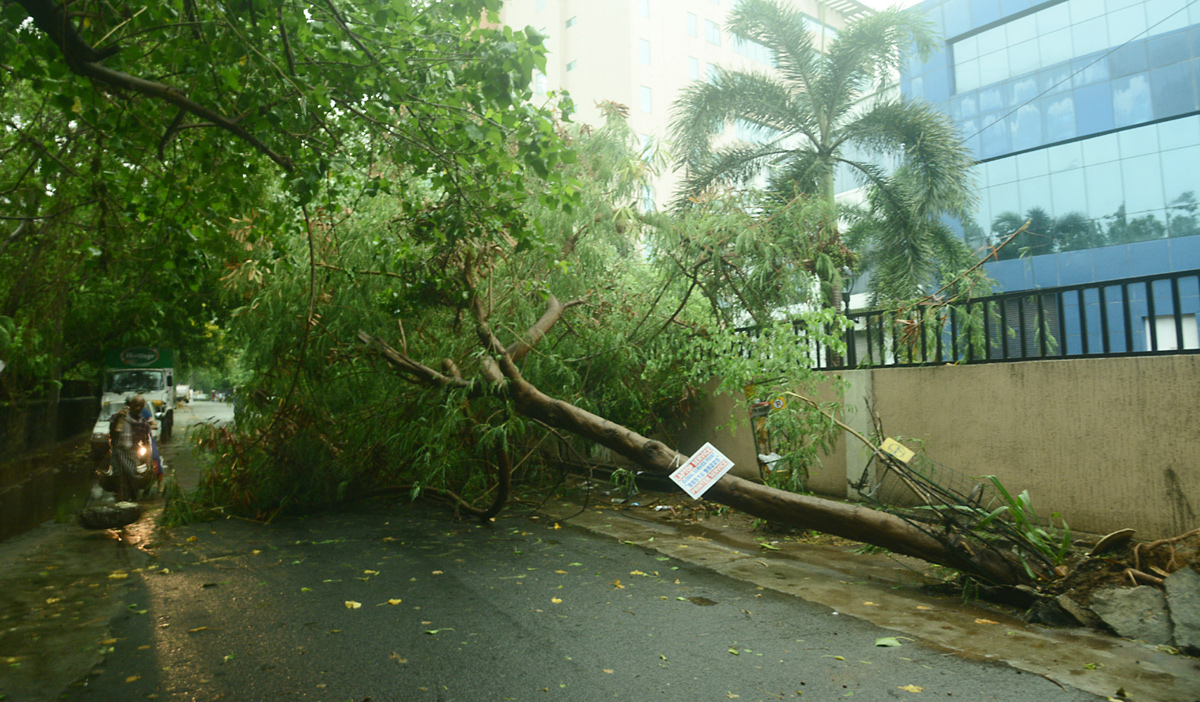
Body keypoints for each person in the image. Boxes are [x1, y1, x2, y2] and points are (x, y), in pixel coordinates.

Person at [109, 395, 154, 501]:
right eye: (134, 405)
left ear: (142, 407)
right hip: (118, 451)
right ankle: (120, 502)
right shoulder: (119, 417)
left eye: (139, 406)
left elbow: (145, 442)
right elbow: (112, 433)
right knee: (119, 478)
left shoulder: (143, 424)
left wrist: (148, 459)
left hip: (132, 454)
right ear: (129, 405)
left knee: (132, 477)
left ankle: (133, 500)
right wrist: (117, 421)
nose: (137, 408)